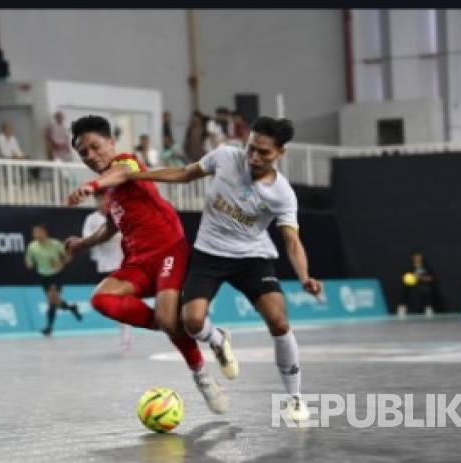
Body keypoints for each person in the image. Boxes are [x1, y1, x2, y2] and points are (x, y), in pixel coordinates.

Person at [125, 116, 323, 422]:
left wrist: (304, 276)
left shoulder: (282, 193)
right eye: (251, 148)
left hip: (251, 259)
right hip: (209, 254)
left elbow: (292, 241)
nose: (254, 157)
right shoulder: (225, 157)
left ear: (280, 153)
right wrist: (137, 176)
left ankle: (295, 398)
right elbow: (185, 173)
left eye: (264, 152)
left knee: (279, 320)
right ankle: (218, 340)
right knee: (191, 321)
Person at [64, 114, 227, 414]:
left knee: (168, 320)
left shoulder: (127, 163)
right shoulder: (110, 195)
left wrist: (92, 185)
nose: (91, 155)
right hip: (137, 262)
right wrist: (82, 243)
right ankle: (179, 326)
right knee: (102, 299)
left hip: (168, 251)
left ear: (112, 143)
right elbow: (110, 228)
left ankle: (202, 375)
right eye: (83, 153)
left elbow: (122, 174)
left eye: (96, 147)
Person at [82, 190, 132, 350]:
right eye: (98, 200)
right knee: (109, 302)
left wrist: (106, 236)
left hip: (122, 265)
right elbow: (87, 238)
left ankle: (126, 334)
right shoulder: (92, 219)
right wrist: (104, 236)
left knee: (120, 299)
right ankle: (124, 329)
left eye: (104, 199)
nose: (102, 203)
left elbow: (127, 235)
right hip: (104, 267)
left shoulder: (120, 215)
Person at [24, 223, 83, 336]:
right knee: (54, 301)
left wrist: (61, 262)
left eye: (39, 232)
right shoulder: (32, 246)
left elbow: (68, 256)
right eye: (34, 232)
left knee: (52, 299)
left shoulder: (56, 244)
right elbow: (28, 260)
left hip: (56, 275)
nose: (36, 234)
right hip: (43, 276)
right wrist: (29, 264)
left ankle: (49, 327)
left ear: (45, 233)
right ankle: (72, 308)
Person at [397, 252, 436, 317]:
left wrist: (419, 278)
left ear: (422, 258)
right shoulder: (409, 267)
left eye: (419, 257)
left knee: (425, 290)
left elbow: (430, 278)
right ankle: (402, 308)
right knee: (403, 290)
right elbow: (404, 277)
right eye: (416, 257)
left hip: (422, 284)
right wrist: (410, 279)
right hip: (410, 285)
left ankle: (428, 308)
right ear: (412, 258)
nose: (417, 258)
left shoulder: (426, 268)